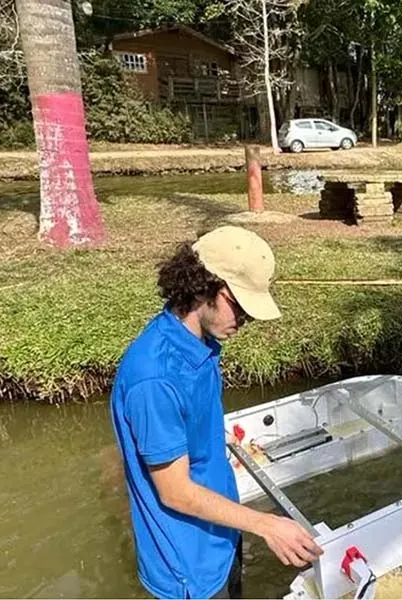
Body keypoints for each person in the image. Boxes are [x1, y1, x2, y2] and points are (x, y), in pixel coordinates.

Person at [110, 226, 322, 600]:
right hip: (188, 567)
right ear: (204, 286)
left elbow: (192, 421)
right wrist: (266, 525)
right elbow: (175, 494)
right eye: (239, 305)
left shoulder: (200, 342)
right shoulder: (155, 378)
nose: (244, 321)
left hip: (220, 531)